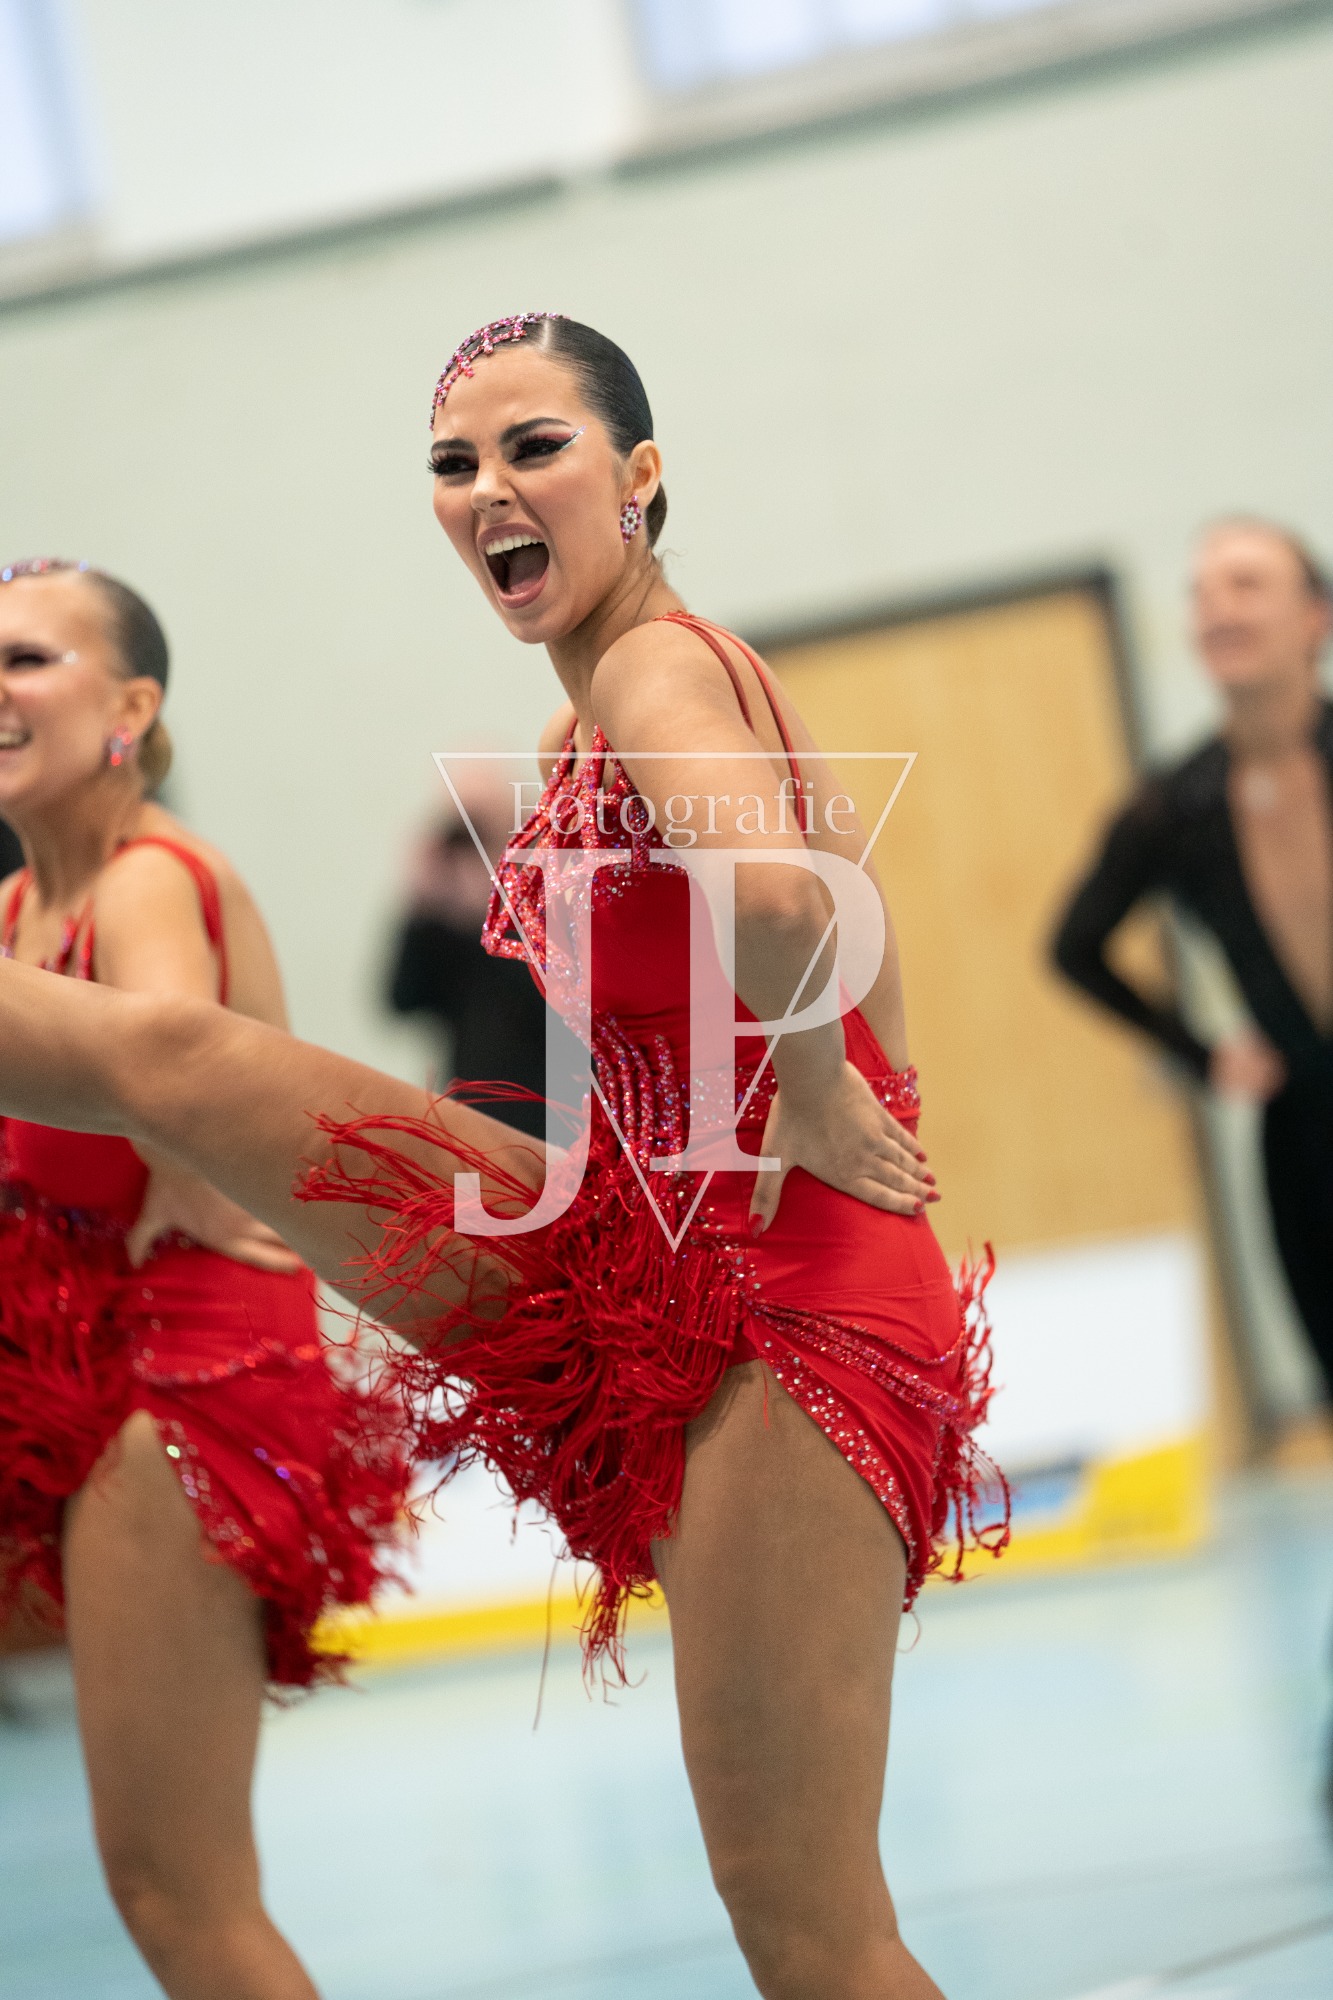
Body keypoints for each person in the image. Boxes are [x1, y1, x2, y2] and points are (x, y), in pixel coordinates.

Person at [0, 320, 1006, 2000]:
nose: (486, 490)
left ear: (640, 476)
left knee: (808, 1925)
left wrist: (820, 1082)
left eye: (533, 448)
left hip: (788, 1298)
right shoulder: (583, 720)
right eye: (453, 464)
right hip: (647, 1253)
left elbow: (777, 897)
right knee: (176, 1068)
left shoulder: (656, 673)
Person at [0, 559, 409, 2000]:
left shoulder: (149, 880)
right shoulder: (18, 910)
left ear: (130, 708)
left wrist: (197, 1162)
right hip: (81, 1366)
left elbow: (170, 1060)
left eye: (27, 659)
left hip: (183, 1377)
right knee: (164, 1890)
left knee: (180, 1891)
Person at [1052, 518, 1333, 1399]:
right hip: (1306, 1132)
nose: (1217, 606)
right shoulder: (1176, 805)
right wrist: (1201, 1054)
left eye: (1245, 583)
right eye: (1201, 591)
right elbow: (1074, 947)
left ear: (1314, 617)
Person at [386, 772, 548, 1139]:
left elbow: (544, 1009)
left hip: (547, 1134)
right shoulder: (450, 925)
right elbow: (400, 1001)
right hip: (470, 1132)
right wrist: (421, 905)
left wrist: (498, 910)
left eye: (479, 828)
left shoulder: (552, 909)